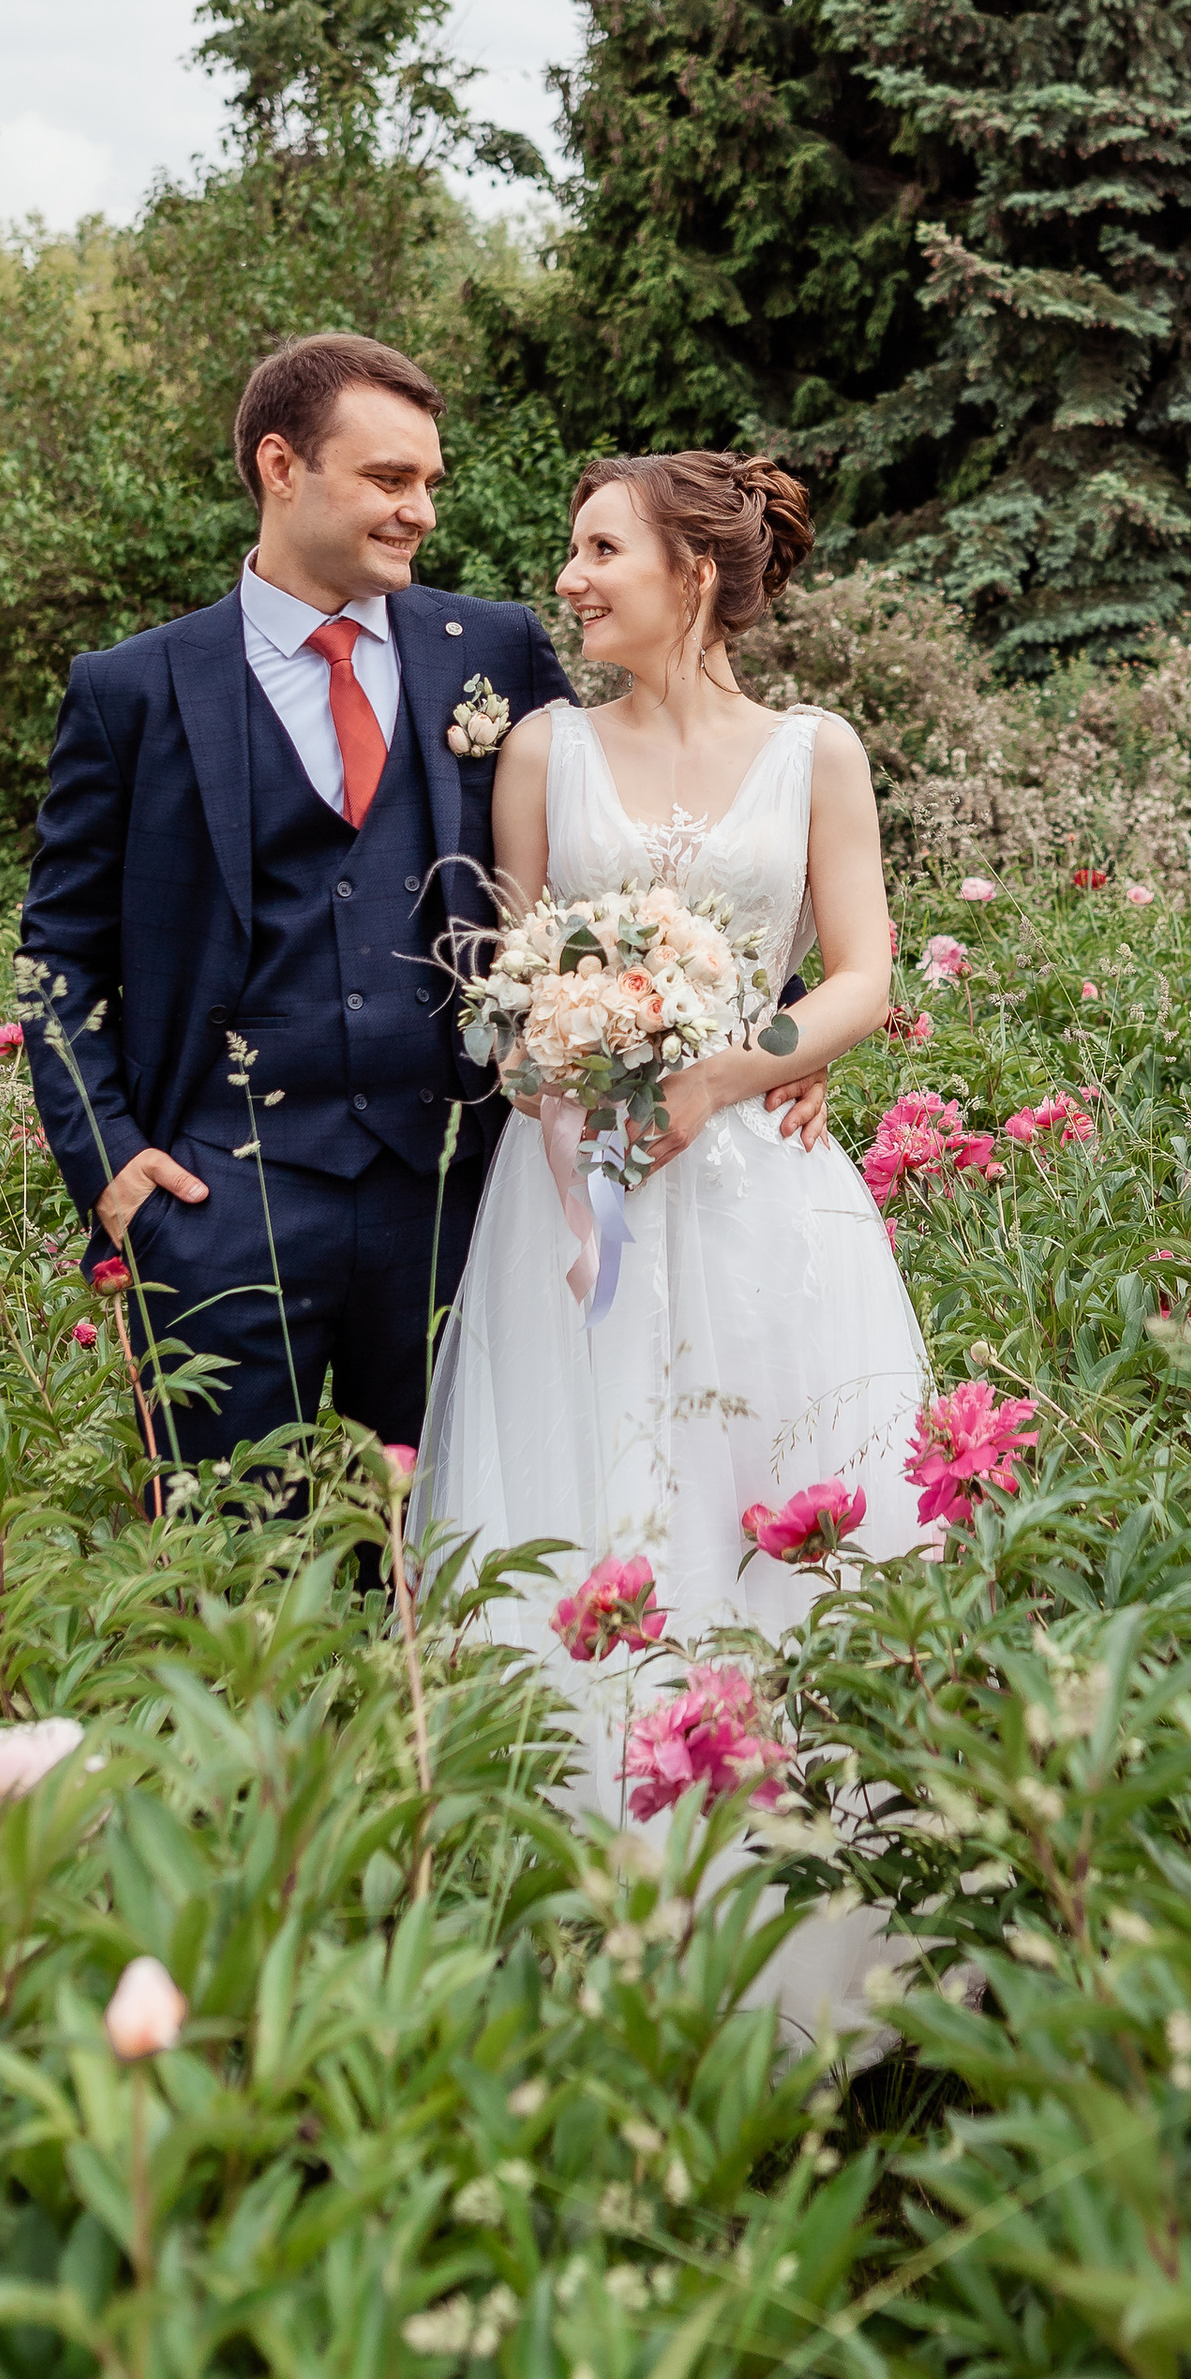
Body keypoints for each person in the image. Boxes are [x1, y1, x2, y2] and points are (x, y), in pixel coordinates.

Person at [20, 333, 827, 1468]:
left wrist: (768, 1029)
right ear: (280, 467)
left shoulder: (487, 646)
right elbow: (54, 958)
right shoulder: (134, 689)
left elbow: (622, 861)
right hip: (216, 1203)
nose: (421, 512)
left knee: (443, 1572)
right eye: (389, 480)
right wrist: (112, 1169)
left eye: (428, 483)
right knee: (224, 1568)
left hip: (459, 1195)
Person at [409, 453, 931, 1941]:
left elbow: (861, 973)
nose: (568, 582)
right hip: (571, 1190)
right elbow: (509, 978)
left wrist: (738, 1068)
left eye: (597, 550)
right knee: (586, 1499)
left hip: (763, 1186)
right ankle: (580, 1902)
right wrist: (557, 1062)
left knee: (764, 1506)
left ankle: (806, 1915)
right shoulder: (544, 754)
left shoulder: (816, 750)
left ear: (693, 570)